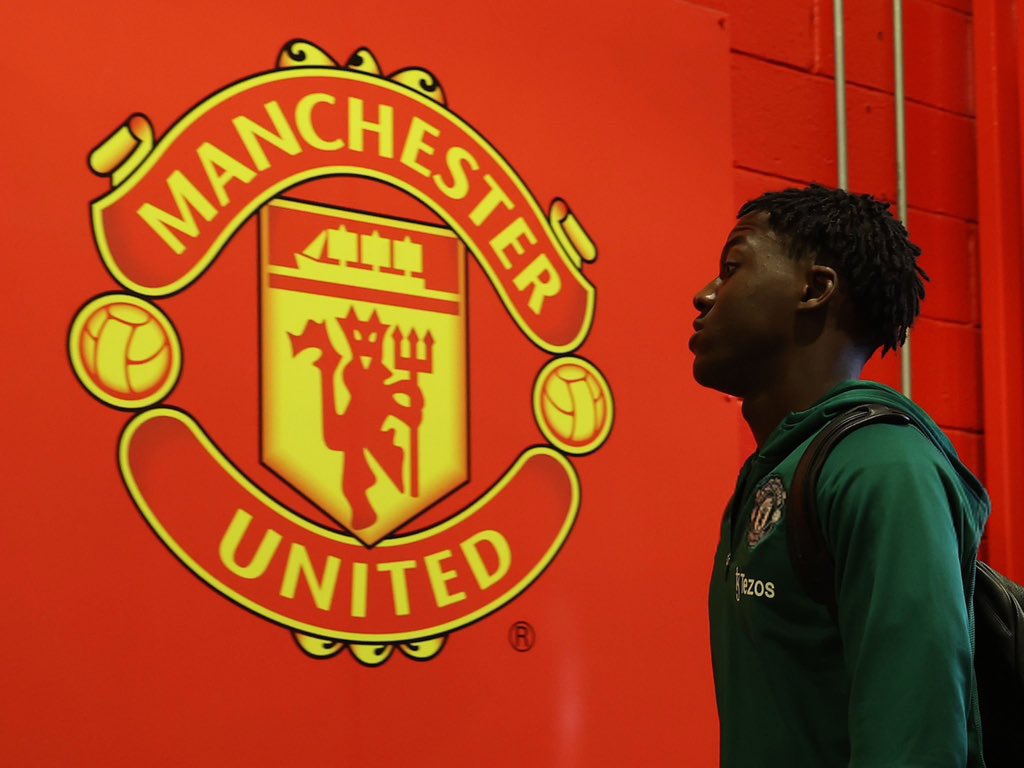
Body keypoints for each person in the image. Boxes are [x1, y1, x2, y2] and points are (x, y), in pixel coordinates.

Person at [691, 185, 989, 767]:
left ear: (815, 288)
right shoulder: (775, 471)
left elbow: (915, 745)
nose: (705, 295)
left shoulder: (883, 466)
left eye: (731, 269)